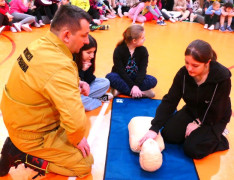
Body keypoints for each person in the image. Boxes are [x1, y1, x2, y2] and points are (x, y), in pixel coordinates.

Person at [0, 5, 94, 178]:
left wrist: (75, 83)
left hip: (18, 119)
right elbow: (76, 123)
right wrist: (77, 137)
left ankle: (19, 145)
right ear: (66, 35)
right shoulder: (59, 65)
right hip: (30, 133)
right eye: (84, 35)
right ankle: (24, 154)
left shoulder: (41, 43)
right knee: (84, 163)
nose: (87, 41)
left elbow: (44, 78)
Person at [139, 39, 232, 159]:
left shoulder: (222, 78)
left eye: (195, 65)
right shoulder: (183, 74)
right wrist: (154, 128)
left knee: (192, 150)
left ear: (207, 62)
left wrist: (198, 122)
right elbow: (170, 100)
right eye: (187, 63)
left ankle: (219, 138)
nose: (189, 68)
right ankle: (199, 136)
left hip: (214, 116)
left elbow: (218, 108)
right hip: (193, 109)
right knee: (169, 135)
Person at [106, 24, 157, 98]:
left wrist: (136, 85)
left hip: (135, 77)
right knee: (110, 77)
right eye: (142, 38)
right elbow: (121, 72)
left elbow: (142, 70)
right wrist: (133, 86)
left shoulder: (143, 51)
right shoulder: (119, 50)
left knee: (153, 80)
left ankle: (120, 91)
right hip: (121, 77)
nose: (145, 39)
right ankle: (142, 93)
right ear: (134, 41)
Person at [73, 34, 113, 111]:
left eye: (93, 52)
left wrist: (87, 70)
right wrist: (82, 71)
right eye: (88, 52)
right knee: (79, 101)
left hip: (84, 91)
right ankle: (98, 100)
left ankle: (89, 99)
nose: (92, 56)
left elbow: (90, 80)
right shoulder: (72, 60)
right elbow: (74, 85)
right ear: (79, 51)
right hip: (75, 91)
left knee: (105, 81)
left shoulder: (88, 60)